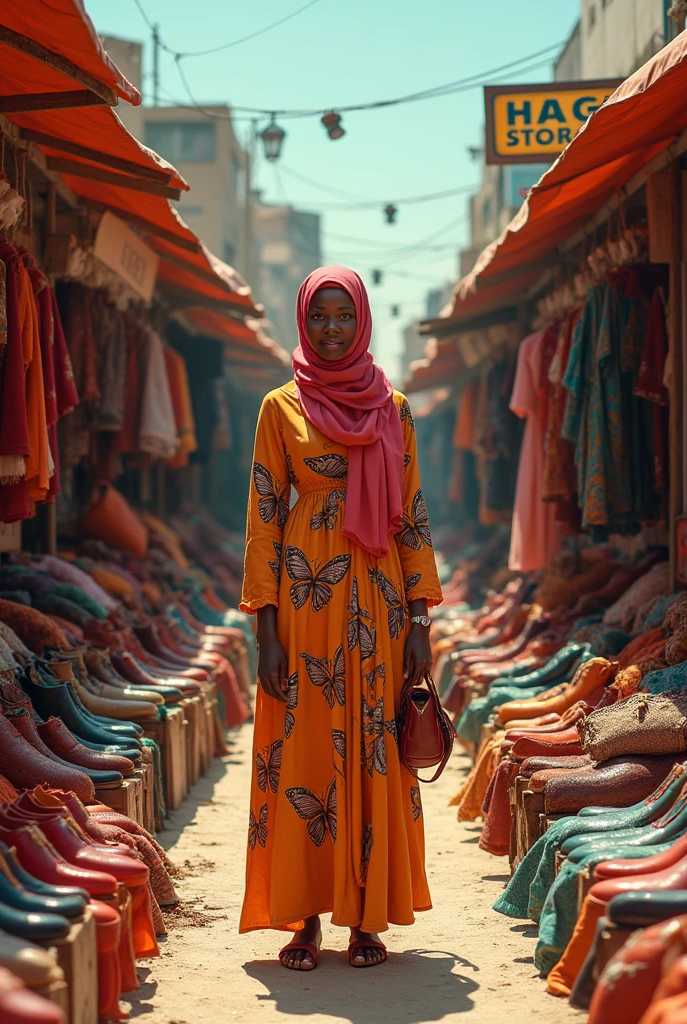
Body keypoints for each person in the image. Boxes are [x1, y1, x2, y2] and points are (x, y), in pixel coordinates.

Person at [239, 266, 443, 970]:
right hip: (304, 601)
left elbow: (411, 517)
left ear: (361, 321)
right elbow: (264, 518)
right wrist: (263, 633)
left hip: (382, 605)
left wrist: (420, 622)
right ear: (303, 320)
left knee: (373, 749)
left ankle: (367, 917)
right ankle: (303, 918)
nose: (331, 328)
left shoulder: (396, 408)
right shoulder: (278, 407)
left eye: (342, 315)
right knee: (304, 751)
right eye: (318, 316)